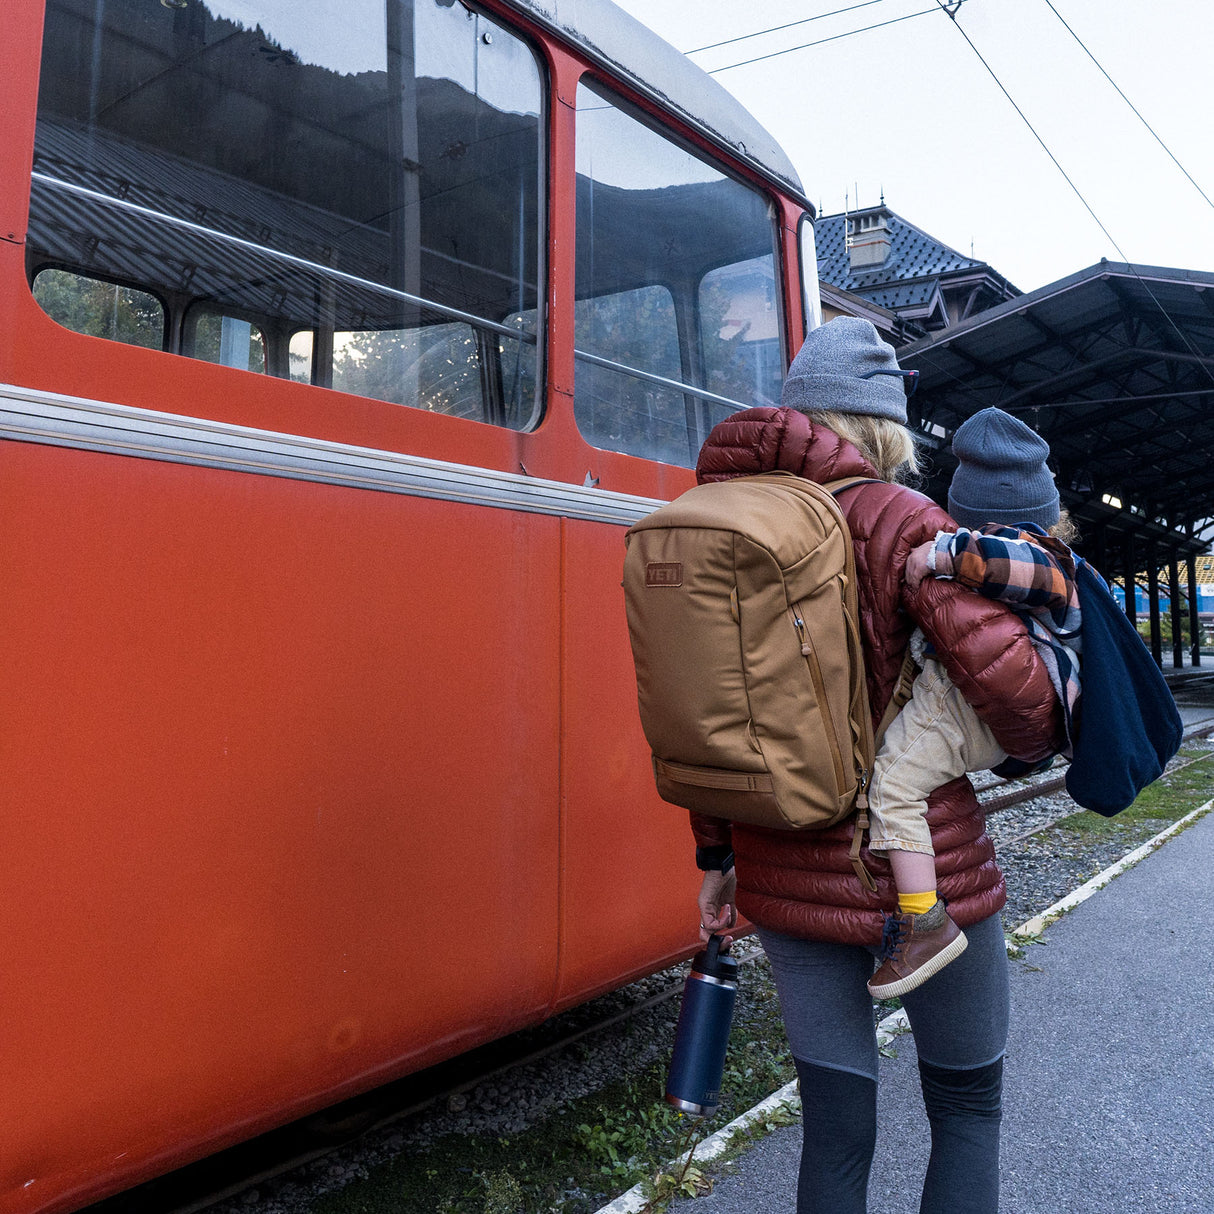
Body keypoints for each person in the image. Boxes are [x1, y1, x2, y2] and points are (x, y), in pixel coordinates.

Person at [693, 317, 1061, 1214]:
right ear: (885, 428)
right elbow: (1023, 707)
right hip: (932, 873)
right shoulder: (906, 522)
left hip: (783, 870)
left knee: (836, 1128)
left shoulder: (727, 524)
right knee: (968, 1108)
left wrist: (717, 860)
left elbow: (706, 716)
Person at [865, 406, 1082, 999]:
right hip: (974, 706)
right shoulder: (1032, 549)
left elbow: (1031, 570)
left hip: (964, 705)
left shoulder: (1040, 557)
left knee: (892, 786)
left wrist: (943, 555)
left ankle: (924, 921)